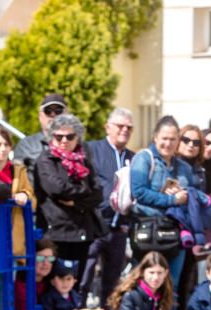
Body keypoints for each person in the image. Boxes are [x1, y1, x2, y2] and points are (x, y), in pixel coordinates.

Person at [33, 113, 103, 282]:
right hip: (56, 232)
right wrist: (84, 191)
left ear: (77, 138)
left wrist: (76, 202)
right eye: (59, 137)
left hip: (81, 231)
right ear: (52, 137)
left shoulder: (85, 161)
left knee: (77, 282)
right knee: (54, 281)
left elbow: (98, 193)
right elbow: (56, 189)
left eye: (70, 136)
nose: (64, 140)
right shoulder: (46, 160)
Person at [129, 115, 193, 287]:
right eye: (164, 138)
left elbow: (191, 198)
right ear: (155, 137)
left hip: (175, 233)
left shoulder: (185, 168)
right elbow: (139, 192)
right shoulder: (144, 158)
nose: (168, 143)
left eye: (173, 139)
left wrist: (184, 196)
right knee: (144, 284)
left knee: (172, 286)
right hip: (148, 230)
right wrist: (171, 199)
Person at [86, 107, 136, 299]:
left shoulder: (134, 158)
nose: (125, 130)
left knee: (113, 283)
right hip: (96, 226)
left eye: (129, 127)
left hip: (120, 230)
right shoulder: (92, 149)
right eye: (120, 126)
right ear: (108, 127)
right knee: (85, 278)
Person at [14, 238, 92, 310]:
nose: (46, 263)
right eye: (40, 258)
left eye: (50, 258)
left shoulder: (49, 282)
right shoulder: (19, 285)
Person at [0, 126, 35, 260]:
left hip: (11, 236)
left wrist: (25, 194)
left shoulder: (18, 171)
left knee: (9, 277)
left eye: (6, 144)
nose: (3, 148)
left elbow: (32, 199)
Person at [13, 93, 67, 174]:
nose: (53, 115)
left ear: (66, 115)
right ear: (40, 116)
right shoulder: (27, 145)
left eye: (58, 111)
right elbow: (18, 178)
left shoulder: (74, 144)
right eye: (48, 111)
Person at [178, 124, 205, 190]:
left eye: (196, 142)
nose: (191, 145)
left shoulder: (201, 171)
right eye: (186, 140)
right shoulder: (169, 165)